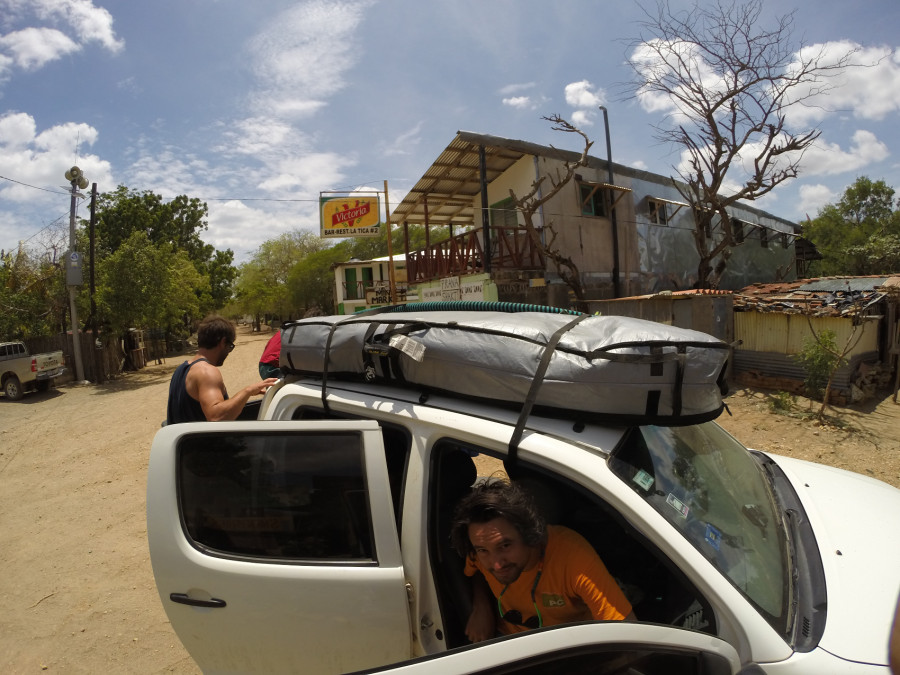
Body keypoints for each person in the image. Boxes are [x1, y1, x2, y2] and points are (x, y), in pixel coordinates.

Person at [450, 478, 635, 642]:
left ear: (529, 533)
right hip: (508, 641)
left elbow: (627, 634)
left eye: (505, 546)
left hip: (570, 647)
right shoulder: (481, 547)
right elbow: (476, 570)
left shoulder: (573, 557)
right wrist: (481, 606)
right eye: (483, 551)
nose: (496, 564)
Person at [166, 315, 277, 424]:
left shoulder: (181, 369)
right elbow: (217, 417)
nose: (229, 352)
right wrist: (247, 391)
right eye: (230, 346)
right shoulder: (206, 372)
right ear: (223, 342)